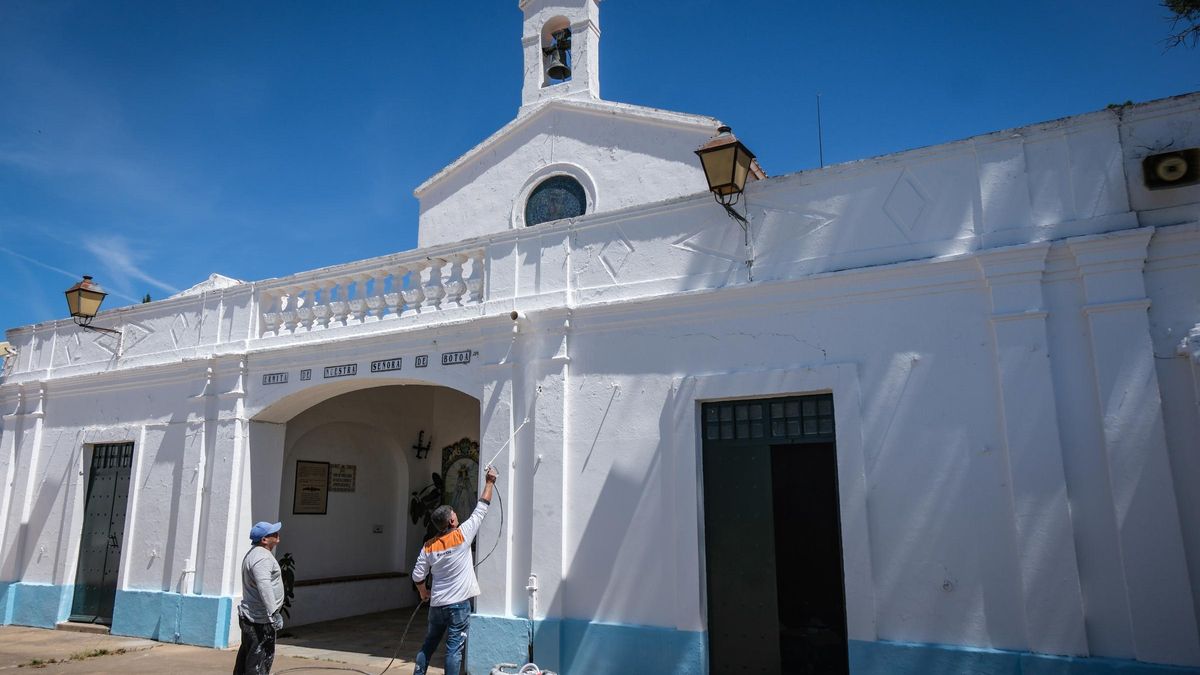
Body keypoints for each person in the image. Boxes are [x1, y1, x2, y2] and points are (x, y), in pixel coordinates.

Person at [411, 464, 498, 675]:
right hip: (458, 606)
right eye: (455, 515)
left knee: (429, 644)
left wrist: (423, 592)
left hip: (437, 605)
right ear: (451, 520)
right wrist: (489, 482)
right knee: (454, 650)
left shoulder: (429, 545)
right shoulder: (461, 535)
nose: (457, 516)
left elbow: (417, 575)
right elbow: (482, 506)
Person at [234, 521, 284, 675]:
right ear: (264, 540)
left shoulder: (255, 553)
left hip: (253, 617)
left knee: (248, 658)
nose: (278, 535)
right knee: (258, 662)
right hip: (260, 620)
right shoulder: (262, 558)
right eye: (274, 534)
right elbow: (264, 585)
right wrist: (274, 612)